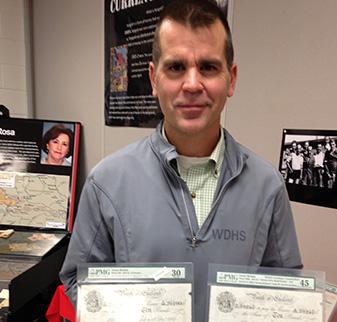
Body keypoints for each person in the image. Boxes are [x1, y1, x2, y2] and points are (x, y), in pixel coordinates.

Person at [60, 1, 302, 321]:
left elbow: (286, 288)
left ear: (231, 79)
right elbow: (78, 279)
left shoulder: (267, 186)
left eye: (208, 67)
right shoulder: (107, 182)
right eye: (176, 67)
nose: (191, 84)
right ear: (153, 79)